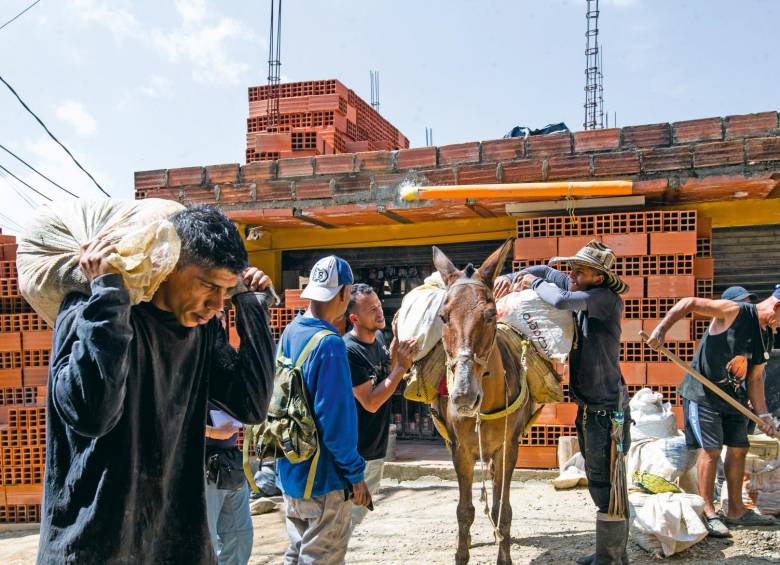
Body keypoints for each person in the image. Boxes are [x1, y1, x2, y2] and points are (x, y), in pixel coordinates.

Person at [37, 205, 276, 564]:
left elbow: (251, 404)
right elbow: (93, 415)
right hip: (94, 547)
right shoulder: (89, 308)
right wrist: (107, 297)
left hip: (175, 547)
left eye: (225, 291)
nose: (216, 305)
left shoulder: (201, 330)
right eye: (208, 285)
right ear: (168, 265)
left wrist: (250, 305)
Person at [495, 240, 631, 565]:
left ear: (597, 277)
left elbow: (559, 299)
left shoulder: (603, 299)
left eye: (578, 271)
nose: (571, 274)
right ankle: (607, 553)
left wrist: (534, 284)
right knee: (598, 477)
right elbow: (543, 271)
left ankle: (612, 558)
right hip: (590, 407)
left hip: (605, 409)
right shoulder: (582, 284)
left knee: (604, 481)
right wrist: (515, 277)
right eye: (572, 269)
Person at [648, 286, 779, 537]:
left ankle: (736, 512)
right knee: (711, 451)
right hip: (703, 395)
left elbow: (756, 378)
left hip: (734, 400)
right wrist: (662, 329)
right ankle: (709, 513)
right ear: (776, 307)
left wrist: (763, 415)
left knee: (740, 449)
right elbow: (688, 302)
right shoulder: (734, 311)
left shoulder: (767, 334)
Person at [277, 256, 370, 565]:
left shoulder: (289, 332)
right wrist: (355, 474)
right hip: (324, 480)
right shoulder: (330, 344)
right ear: (344, 294)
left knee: (296, 556)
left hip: (291, 474)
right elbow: (335, 422)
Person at [343, 283, 417, 528]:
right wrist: (401, 368)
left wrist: (397, 340)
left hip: (375, 447)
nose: (379, 312)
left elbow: (388, 368)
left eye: (378, 306)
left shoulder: (378, 339)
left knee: (353, 518)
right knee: (344, 521)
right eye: (371, 309)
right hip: (358, 452)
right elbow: (371, 402)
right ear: (354, 318)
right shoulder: (349, 351)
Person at [205, 401, 253, 565]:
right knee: (205, 543)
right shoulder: (186, 377)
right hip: (200, 467)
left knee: (241, 539)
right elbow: (171, 418)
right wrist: (212, 432)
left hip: (231, 463)